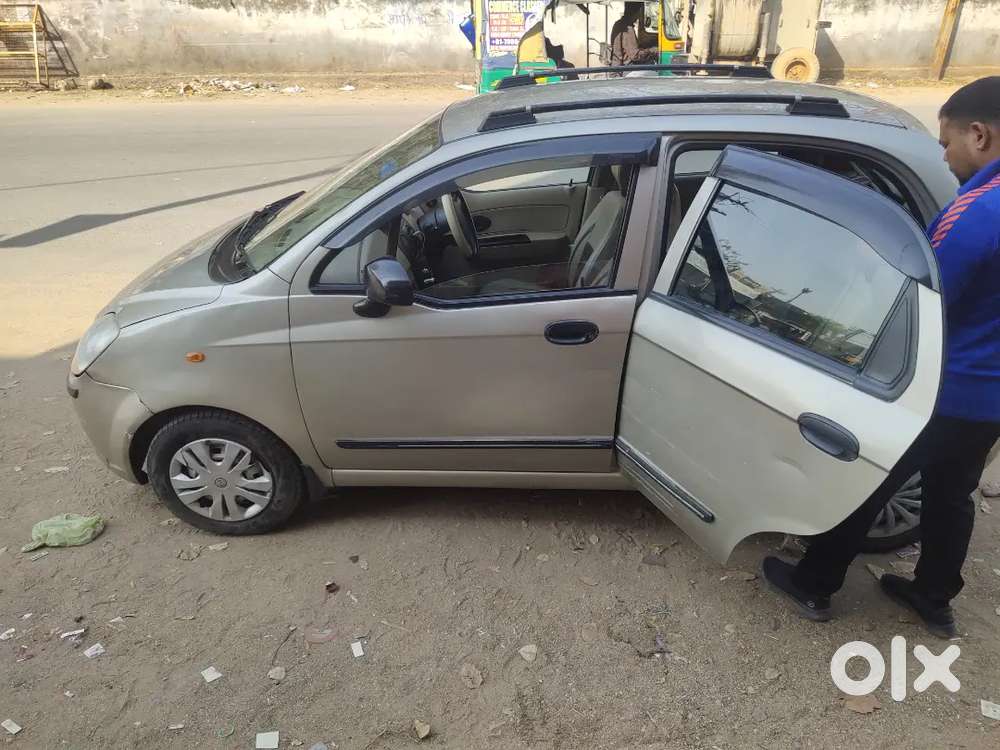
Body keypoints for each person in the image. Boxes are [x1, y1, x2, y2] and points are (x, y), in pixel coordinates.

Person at [762, 76, 1000, 639]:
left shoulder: (977, 214)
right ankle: (933, 597)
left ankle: (814, 582)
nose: (944, 156)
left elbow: (922, 306)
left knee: (866, 478)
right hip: (989, 398)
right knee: (952, 493)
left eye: (946, 142)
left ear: (979, 135)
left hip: (943, 387)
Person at [610, 2, 658, 68]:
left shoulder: (618, 23)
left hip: (617, 64)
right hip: (625, 67)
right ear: (635, 12)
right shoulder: (627, 28)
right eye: (639, 12)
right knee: (653, 67)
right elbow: (635, 56)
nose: (638, 16)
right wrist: (652, 51)